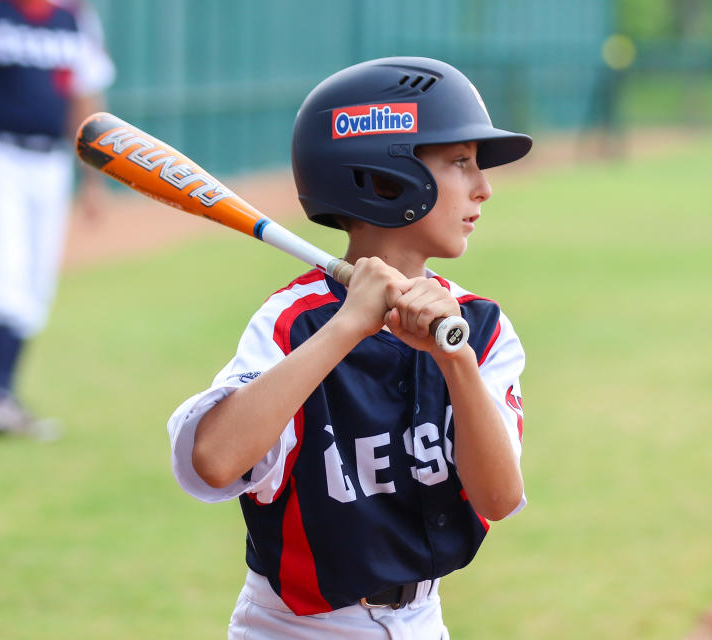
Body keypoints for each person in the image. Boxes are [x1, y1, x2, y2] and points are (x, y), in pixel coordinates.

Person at [167, 56, 531, 639]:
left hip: (423, 622)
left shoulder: (479, 327)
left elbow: (499, 495)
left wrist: (454, 362)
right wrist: (346, 328)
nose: (483, 187)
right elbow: (213, 462)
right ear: (385, 180)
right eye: (460, 162)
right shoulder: (294, 323)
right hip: (294, 628)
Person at [0, 0, 114, 437]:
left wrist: (93, 179)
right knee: (2, 267)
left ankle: (6, 397)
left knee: (35, 281)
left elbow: (85, 97)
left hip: (49, 163)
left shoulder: (72, 16)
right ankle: (0, 395)